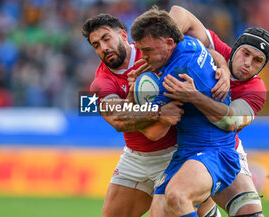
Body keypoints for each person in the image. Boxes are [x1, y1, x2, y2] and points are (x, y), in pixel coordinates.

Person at [82, 13, 228, 217]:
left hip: (175, 152)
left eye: (106, 39)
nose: (103, 48)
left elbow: (205, 50)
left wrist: (224, 70)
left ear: (123, 35)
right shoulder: (101, 83)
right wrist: (158, 111)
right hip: (135, 158)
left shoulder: (151, 48)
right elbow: (117, 119)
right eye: (96, 45)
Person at [160, 5, 269, 217]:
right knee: (176, 202)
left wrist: (192, 95)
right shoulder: (218, 50)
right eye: (245, 53)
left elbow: (229, 121)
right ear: (235, 48)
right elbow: (179, 13)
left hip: (222, 148)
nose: (247, 63)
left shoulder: (256, 90)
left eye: (257, 60)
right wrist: (163, 47)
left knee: (249, 211)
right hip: (181, 144)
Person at [129, 6, 240, 217]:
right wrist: (223, 68)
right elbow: (212, 52)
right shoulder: (190, 44)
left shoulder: (175, 77)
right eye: (141, 50)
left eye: (148, 50)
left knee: (178, 195)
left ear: (169, 42)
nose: (143, 57)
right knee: (158, 213)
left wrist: (135, 95)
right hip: (187, 154)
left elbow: (154, 133)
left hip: (215, 152)